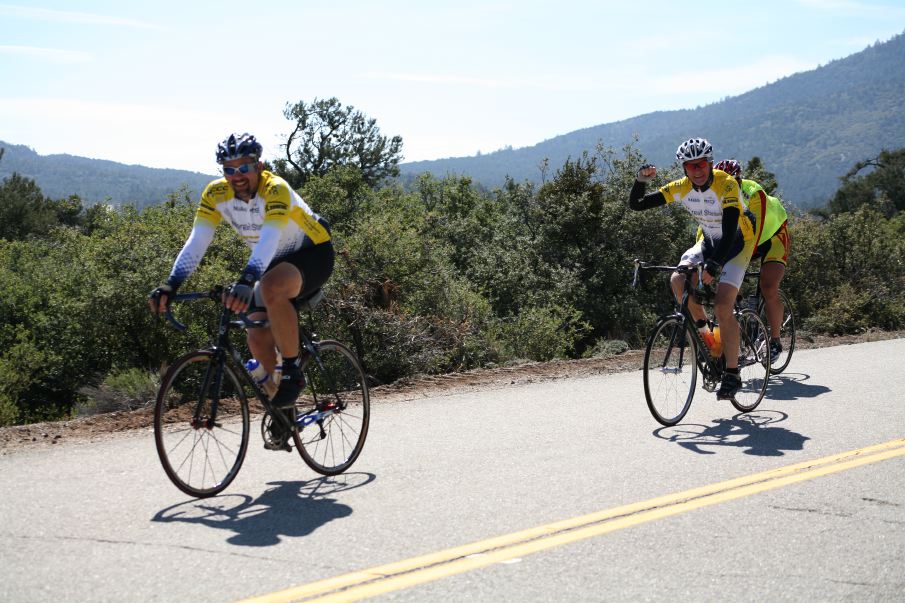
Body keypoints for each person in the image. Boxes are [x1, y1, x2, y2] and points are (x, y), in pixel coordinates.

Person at [148, 132, 335, 419]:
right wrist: (171, 283)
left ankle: (292, 372)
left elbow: (270, 238)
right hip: (272, 260)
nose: (236, 175)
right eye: (228, 169)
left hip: (313, 252)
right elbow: (197, 240)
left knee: (271, 288)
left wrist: (247, 281)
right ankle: (284, 410)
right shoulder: (215, 194)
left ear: (259, 166)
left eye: (244, 167)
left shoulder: (276, 190)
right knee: (255, 331)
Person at [629, 138, 756, 399]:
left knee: (722, 306)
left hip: (739, 242)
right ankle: (711, 340)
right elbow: (638, 204)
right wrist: (640, 181)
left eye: (700, 164)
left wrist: (714, 264)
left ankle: (732, 373)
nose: (696, 171)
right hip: (709, 241)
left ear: (709, 164)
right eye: (690, 166)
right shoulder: (681, 187)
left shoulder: (727, 183)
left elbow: (731, 229)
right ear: (684, 168)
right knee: (677, 280)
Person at [714, 159, 790, 361]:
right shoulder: (714, 196)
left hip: (771, 234)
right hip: (746, 238)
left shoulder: (753, 192)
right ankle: (741, 325)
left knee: (768, 286)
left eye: (731, 181)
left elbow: (756, 231)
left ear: (739, 179)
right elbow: (706, 232)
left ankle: (775, 341)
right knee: (727, 285)